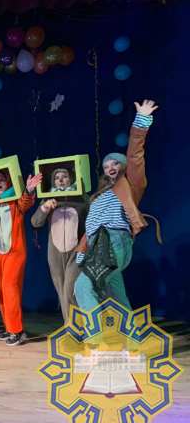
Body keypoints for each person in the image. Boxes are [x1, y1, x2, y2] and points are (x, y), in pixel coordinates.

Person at [74, 100, 158, 311]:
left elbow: (135, 155)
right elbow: (92, 224)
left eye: (115, 163)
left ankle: (95, 331)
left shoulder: (130, 184)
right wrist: (82, 251)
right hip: (98, 244)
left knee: (82, 287)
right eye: (106, 166)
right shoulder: (99, 196)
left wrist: (141, 121)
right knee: (116, 294)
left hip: (113, 241)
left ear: (124, 166)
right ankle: (130, 331)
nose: (110, 167)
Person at [0, 170, 42, 346]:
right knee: (1, 289)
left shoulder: (15, 202)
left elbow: (25, 203)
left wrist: (28, 190)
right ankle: (9, 327)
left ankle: (17, 331)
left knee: (9, 287)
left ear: (7, 183)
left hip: (15, 252)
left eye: (2, 179)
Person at [30, 168, 88, 322]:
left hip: (76, 251)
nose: (61, 180)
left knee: (71, 288)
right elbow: (35, 222)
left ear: (71, 179)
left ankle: (83, 324)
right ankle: (71, 327)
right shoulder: (48, 199)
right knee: (61, 290)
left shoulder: (82, 199)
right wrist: (45, 208)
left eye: (65, 176)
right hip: (55, 252)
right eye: (57, 177)